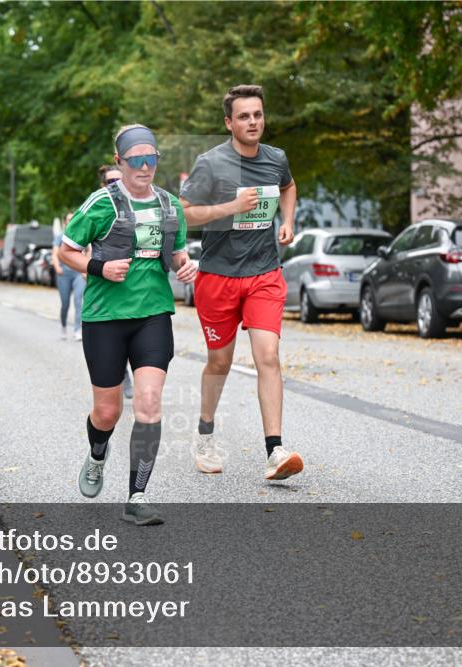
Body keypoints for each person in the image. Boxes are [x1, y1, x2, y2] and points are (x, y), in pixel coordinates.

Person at [59, 124, 197, 525]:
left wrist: (185, 266)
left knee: (150, 402)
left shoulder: (170, 206)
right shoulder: (101, 203)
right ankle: (97, 455)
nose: (143, 165)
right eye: (135, 158)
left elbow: (176, 254)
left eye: (150, 158)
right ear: (120, 162)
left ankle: (137, 496)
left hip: (153, 314)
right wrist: (98, 265)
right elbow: (66, 251)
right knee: (107, 412)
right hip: (105, 319)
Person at [179, 84, 303, 480]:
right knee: (220, 361)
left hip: (265, 273)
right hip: (218, 276)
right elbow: (184, 213)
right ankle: (205, 433)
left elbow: (288, 186)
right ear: (229, 122)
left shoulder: (275, 159)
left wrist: (287, 221)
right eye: (244, 116)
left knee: (268, 356)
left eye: (258, 115)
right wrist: (231, 207)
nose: (253, 122)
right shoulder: (211, 164)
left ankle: (275, 450)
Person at [100, 164, 135, 398]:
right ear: (103, 185)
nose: (115, 185)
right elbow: (78, 247)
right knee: (116, 334)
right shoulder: (98, 206)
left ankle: (140, 372)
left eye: (118, 180)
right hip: (106, 283)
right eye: (109, 181)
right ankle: (122, 374)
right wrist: (93, 268)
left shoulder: (140, 203)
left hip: (136, 282)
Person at [53, 212, 86, 341]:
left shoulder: (82, 234)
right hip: (64, 273)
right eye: (68, 220)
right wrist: (57, 267)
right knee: (65, 303)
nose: (70, 221)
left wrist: (85, 269)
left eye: (73, 219)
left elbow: (88, 252)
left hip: (77, 273)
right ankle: (63, 325)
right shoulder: (60, 237)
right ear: (64, 222)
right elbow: (55, 254)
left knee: (78, 301)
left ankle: (78, 330)